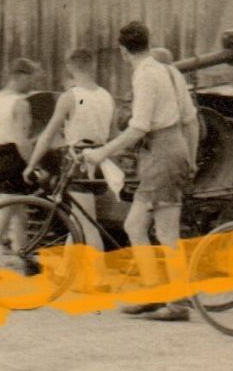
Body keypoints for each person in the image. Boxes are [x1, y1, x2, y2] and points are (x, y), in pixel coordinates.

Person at [82, 22, 199, 321]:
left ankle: (178, 303)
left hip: (161, 153)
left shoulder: (145, 75)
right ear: (148, 43)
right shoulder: (165, 70)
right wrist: (191, 158)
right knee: (135, 225)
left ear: (123, 51)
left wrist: (101, 153)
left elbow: (138, 127)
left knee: (166, 231)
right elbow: (190, 119)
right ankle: (154, 293)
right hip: (164, 153)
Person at [24, 49, 116, 252]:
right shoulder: (106, 96)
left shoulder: (70, 97)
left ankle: (99, 278)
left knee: (87, 226)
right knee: (77, 219)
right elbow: (114, 134)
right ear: (93, 66)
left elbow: (47, 136)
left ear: (70, 68)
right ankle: (67, 276)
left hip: (78, 163)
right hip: (101, 162)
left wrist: (31, 164)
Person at [0, 58, 39, 264]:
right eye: (32, 79)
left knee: (19, 214)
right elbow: (22, 140)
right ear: (20, 76)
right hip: (14, 160)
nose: (33, 84)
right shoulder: (21, 103)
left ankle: (27, 259)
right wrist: (35, 164)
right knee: (4, 218)